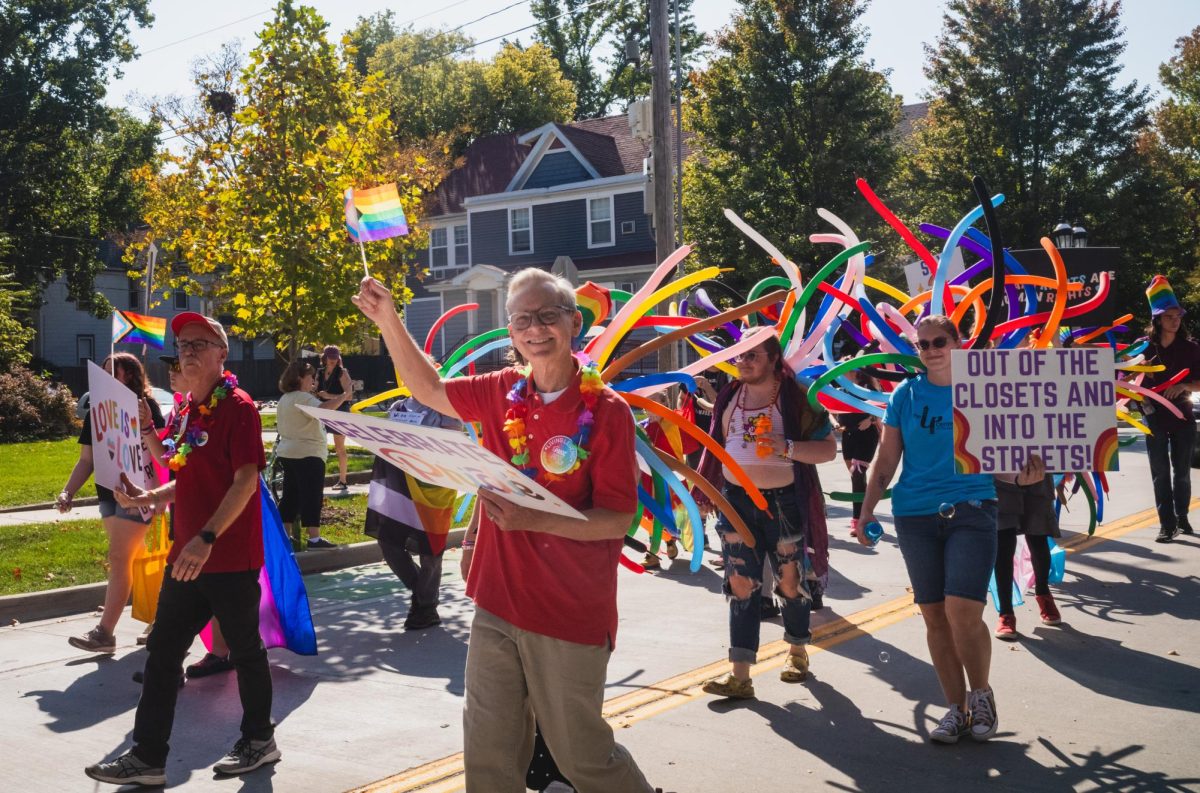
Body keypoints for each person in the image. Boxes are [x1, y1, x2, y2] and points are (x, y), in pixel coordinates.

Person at [355, 268, 653, 792]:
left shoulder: (606, 412)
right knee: (490, 754)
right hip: (496, 601)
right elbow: (426, 388)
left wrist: (531, 518)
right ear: (511, 332)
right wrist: (388, 320)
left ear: (573, 322)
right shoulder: (499, 392)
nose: (534, 328)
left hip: (568, 611)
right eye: (521, 320)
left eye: (547, 316)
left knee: (582, 755)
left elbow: (617, 520)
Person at [85, 312, 277, 786]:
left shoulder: (239, 408)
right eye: (182, 343)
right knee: (163, 654)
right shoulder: (188, 409)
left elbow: (246, 480)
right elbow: (179, 468)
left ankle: (259, 740)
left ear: (221, 354)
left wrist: (207, 537)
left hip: (227, 558)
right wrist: (146, 496)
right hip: (185, 560)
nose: (186, 350)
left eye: (199, 342)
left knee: (246, 653)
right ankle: (148, 757)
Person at [859, 315, 1039, 744]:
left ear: (958, 343)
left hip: (973, 507)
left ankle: (981, 695)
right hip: (914, 514)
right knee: (935, 616)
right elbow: (886, 462)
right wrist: (865, 512)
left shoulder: (984, 391)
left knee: (962, 610)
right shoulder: (905, 394)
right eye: (923, 345)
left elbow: (1006, 459)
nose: (932, 349)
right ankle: (955, 710)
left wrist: (1022, 477)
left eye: (939, 341)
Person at [696, 335, 837, 699]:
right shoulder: (729, 395)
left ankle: (796, 651)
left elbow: (827, 450)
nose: (743, 361)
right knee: (740, 585)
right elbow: (717, 445)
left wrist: (786, 447)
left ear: (774, 359)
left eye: (752, 355)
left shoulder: (797, 397)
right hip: (735, 503)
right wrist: (706, 491)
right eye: (740, 355)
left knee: (790, 582)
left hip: (783, 503)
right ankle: (740, 676)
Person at [59, 352, 165, 654]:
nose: (103, 377)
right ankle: (162, 620)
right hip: (108, 494)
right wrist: (68, 491)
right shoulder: (95, 413)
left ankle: (105, 633)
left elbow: (162, 452)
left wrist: (160, 495)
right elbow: (86, 460)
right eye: (101, 371)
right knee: (133, 559)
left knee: (119, 558)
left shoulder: (146, 408)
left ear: (128, 375)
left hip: (140, 492)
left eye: (110, 371)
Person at [365, 382, 463, 630]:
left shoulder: (445, 407)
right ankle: (424, 597)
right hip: (401, 488)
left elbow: (450, 444)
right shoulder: (399, 406)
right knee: (389, 542)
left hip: (433, 489)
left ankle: (425, 608)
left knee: (430, 550)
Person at [1141, 276, 1200, 543]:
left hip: (1183, 417)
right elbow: (1130, 376)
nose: (1175, 320)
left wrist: (1184, 385)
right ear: (1158, 320)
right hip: (1153, 417)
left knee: (1182, 472)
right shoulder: (1145, 347)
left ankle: (1182, 516)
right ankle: (1166, 525)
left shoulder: (1191, 348)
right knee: (1159, 473)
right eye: (1169, 316)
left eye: (1177, 316)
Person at [277, 359, 347, 549]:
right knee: (312, 495)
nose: (313, 381)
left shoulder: (285, 398)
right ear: (300, 378)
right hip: (309, 454)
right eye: (310, 377)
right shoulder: (302, 397)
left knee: (290, 496)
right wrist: (344, 396)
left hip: (288, 453)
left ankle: (286, 535)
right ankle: (314, 538)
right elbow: (323, 410)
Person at [992, 456, 1063, 639]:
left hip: (1037, 470)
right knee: (1003, 542)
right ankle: (1006, 612)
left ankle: (1043, 593)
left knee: (1038, 538)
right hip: (1000, 470)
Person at [835, 367, 881, 538]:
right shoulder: (841, 391)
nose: (840, 371)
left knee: (857, 472)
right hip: (848, 434)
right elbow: (829, 409)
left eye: (845, 368)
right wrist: (835, 423)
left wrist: (870, 419)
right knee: (858, 478)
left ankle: (857, 520)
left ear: (855, 372)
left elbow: (882, 407)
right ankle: (868, 512)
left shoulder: (868, 391)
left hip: (867, 435)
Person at [316, 344, 353, 491]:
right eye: (330, 358)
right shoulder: (319, 372)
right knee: (318, 446)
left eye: (335, 358)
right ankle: (318, 479)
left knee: (339, 448)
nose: (332, 361)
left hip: (340, 412)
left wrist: (329, 396)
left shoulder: (342, 373)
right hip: (323, 410)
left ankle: (343, 480)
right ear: (324, 358)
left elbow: (349, 395)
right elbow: (316, 389)